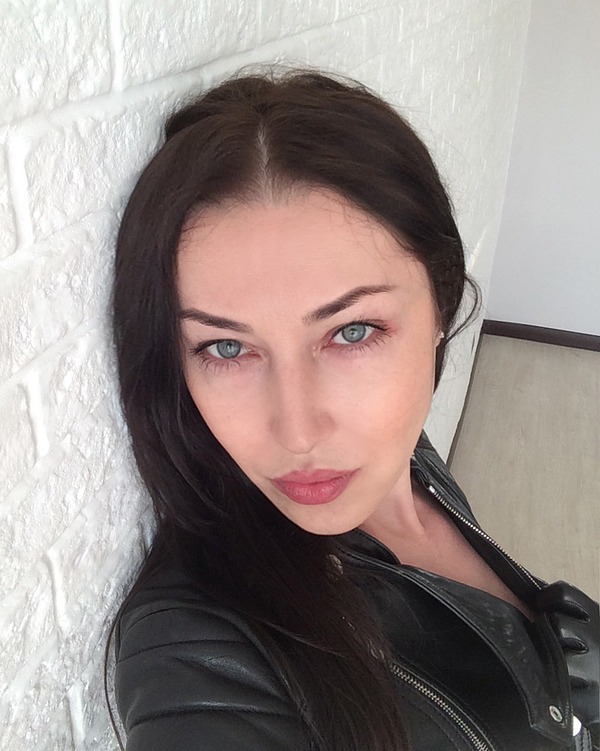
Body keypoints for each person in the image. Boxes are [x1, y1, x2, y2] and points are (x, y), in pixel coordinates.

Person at [110, 70, 599, 751]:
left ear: (441, 307)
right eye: (227, 347)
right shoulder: (190, 648)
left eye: (352, 331)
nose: (298, 432)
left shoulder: (409, 461)